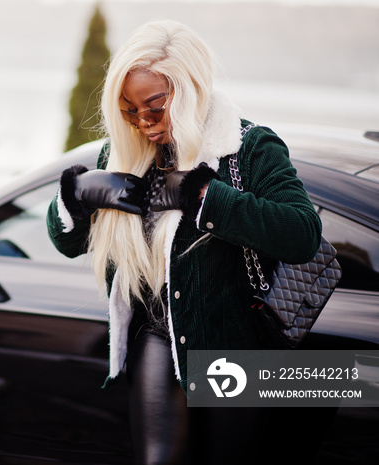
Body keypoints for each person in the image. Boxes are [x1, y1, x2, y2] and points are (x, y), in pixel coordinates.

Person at [46, 20, 327, 464]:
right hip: (159, 337)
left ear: (191, 88)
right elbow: (67, 242)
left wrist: (202, 196)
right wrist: (76, 195)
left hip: (235, 347)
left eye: (155, 105)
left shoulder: (249, 148)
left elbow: (302, 234)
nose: (143, 122)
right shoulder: (123, 152)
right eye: (129, 110)